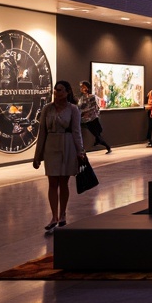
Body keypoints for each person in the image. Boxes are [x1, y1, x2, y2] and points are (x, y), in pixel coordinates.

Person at [32, 80, 86, 232]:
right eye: (55, 90)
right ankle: (54, 216)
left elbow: (76, 132)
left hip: (67, 146)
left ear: (67, 92)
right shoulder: (47, 109)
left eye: (60, 90)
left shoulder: (73, 109)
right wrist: (37, 156)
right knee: (52, 182)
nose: (57, 93)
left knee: (64, 182)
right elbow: (42, 132)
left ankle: (62, 214)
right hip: (51, 146)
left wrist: (80, 151)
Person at [78, 80, 111, 154]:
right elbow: (80, 107)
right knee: (96, 135)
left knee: (96, 134)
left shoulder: (92, 97)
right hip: (85, 119)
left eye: (83, 87)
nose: (82, 88)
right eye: (81, 87)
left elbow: (93, 107)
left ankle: (106, 146)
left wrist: (85, 112)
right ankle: (102, 143)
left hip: (92, 118)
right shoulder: (81, 98)